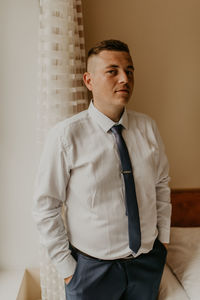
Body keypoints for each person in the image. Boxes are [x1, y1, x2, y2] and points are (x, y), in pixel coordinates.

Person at [33, 39, 171, 300]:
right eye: (113, 71)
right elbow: (45, 206)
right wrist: (68, 270)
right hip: (91, 272)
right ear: (89, 80)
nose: (124, 79)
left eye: (129, 71)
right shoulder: (65, 136)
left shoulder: (148, 128)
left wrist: (162, 242)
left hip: (146, 265)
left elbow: (161, 185)